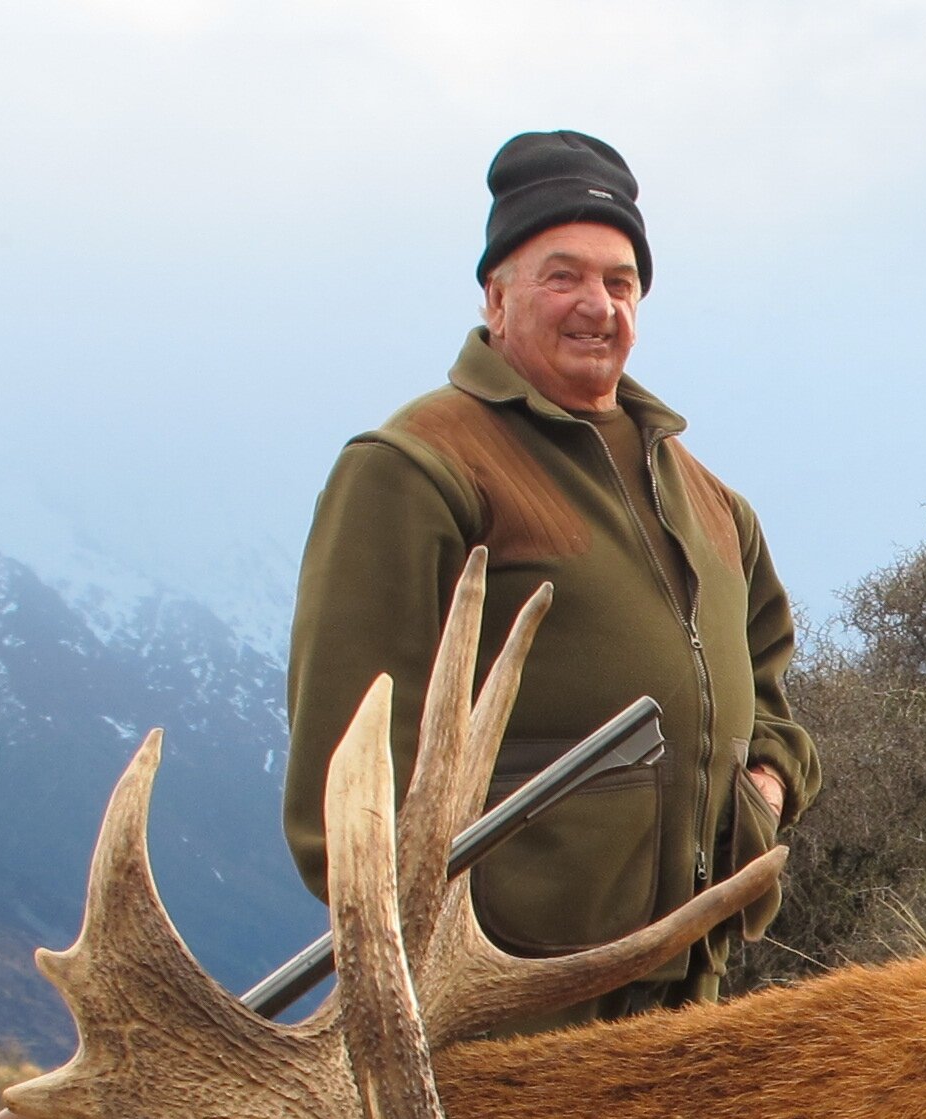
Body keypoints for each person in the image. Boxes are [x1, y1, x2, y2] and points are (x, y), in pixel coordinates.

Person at [283, 131, 818, 1022]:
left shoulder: (715, 504)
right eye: (561, 276)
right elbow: (348, 769)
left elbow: (772, 698)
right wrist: (423, 950)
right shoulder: (415, 470)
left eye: (620, 282)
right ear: (497, 295)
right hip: (502, 1013)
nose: (596, 306)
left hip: (688, 999)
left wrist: (765, 786)